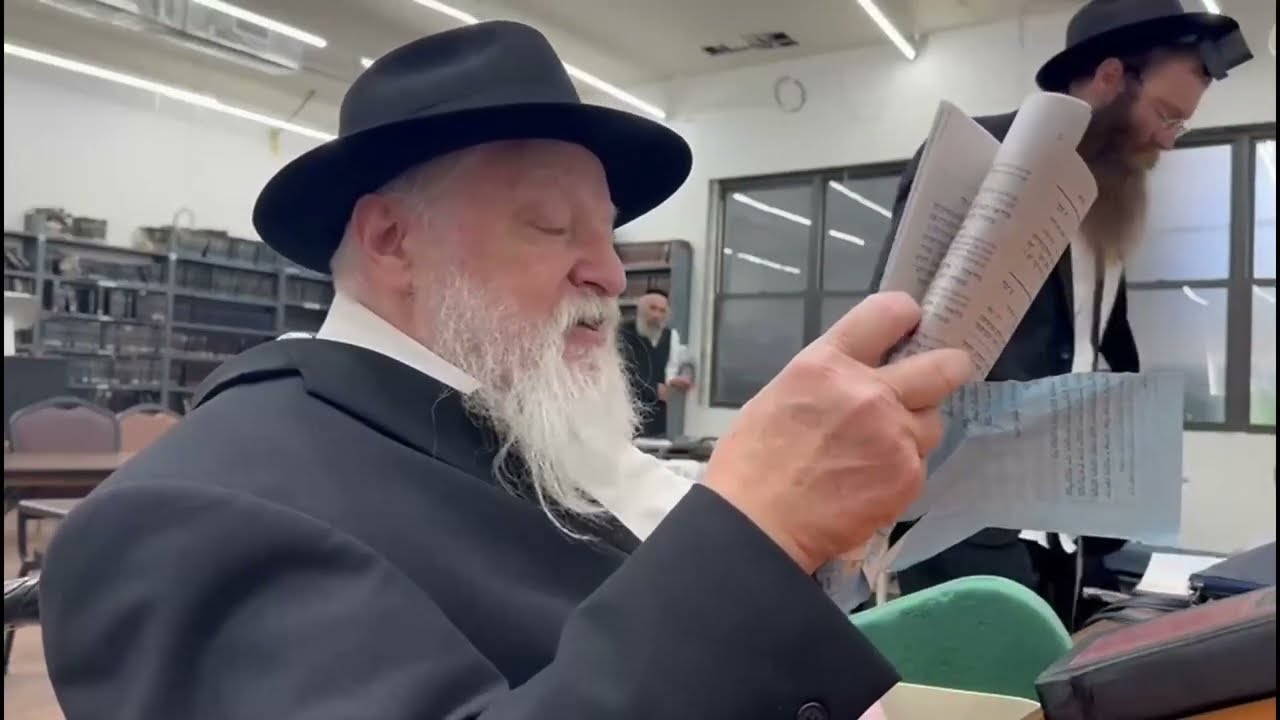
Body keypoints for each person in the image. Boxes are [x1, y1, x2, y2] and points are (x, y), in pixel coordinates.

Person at [39, 22, 973, 719]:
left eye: (610, 233)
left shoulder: (520, 437)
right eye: (553, 225)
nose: (609, 273)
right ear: (392, 241)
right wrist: (757, 531)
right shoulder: (186, 518)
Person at [885, 0, 1252, 628]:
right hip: (964, 516)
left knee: (1055, 673)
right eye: (1166, 114)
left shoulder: (1106, 195)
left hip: (1065, 521)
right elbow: (897, 324)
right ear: (1110, 77)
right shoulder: (986, 152)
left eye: (1181, 125)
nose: (1169, 138)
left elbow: (1095, 347)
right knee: (978, 672)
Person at [618, 289, 692, 438]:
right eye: (652, 308)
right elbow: (622, 372)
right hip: (627, 412)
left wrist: (680, 378)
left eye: (662, 311)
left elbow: (678, 364)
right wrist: (654, 389)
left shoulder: (671, 336)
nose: (656, 315)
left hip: (658, 417)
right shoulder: (622, 334)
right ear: (641, 309)